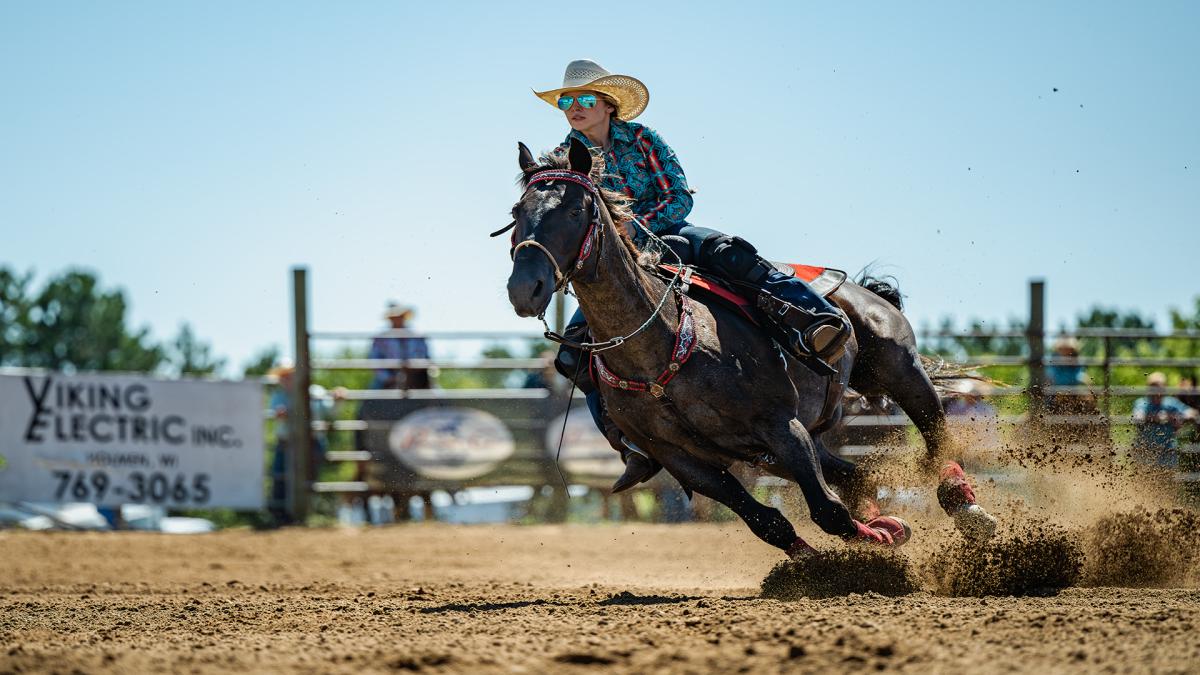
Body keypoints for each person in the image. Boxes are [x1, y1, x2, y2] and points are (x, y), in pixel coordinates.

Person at [532, 59, 851, 492]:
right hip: (615, 266)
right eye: (566, 101)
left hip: (667, 234)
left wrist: (634, 229)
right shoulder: (561, 160)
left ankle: (813, 319)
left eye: (584, 99)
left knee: (732, 255)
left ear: (608, 104)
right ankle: (631, 442)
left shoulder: (644, 140)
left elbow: (678, 198)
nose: (573, 107)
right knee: (571, 356)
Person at [267, 359, 345, 523]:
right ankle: (281, 516)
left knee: (309, 479)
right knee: (280, 478)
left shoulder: (315, 392)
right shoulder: (279, 396)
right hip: (287, 442)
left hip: (312, 443)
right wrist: (280, 415)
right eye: (284, 376)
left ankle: (306, 514)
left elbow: (331, 411)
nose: (287, 379)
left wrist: (338, 399)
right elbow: (276, 414)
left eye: (289, 375)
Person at [1131, 372, 1198, 469]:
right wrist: (1156, 418)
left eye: (1160, 387)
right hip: (1145, 454)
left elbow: (1191, 413)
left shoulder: (1171, 403)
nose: (1157, 391)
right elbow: (1137, 417)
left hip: (1167, 455)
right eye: (1154, 387)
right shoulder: (1142, 403)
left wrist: (1178, 417)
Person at [369, 302, 431, 390]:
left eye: (399, 317)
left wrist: (413, 366)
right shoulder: (381, 338)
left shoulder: (417, 336)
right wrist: (388, 378)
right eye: (394, 317)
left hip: (416, 375)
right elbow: (375, 361)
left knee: (435, 393)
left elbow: (425, 357)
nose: (397, 320)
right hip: (389, 375)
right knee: (373, 394)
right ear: (390, 319)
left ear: (404, 317)